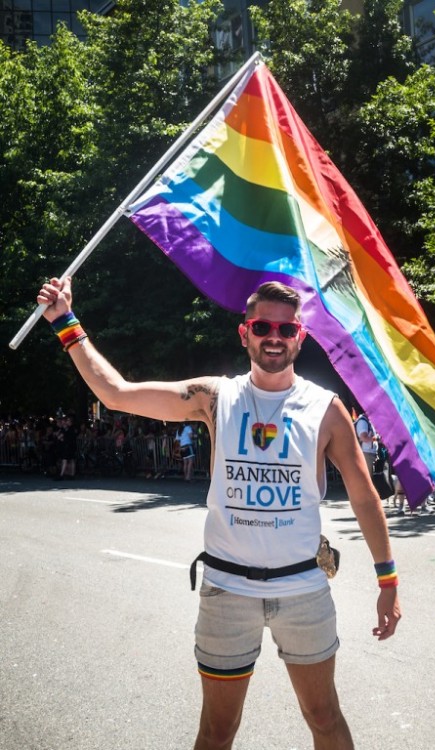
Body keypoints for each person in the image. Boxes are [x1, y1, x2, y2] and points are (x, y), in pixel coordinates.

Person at [37, 277, 401, 750]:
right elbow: (116, 393)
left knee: (325, 717)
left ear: (300, 337)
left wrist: (388, 581)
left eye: (286, 329)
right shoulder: (215, 397)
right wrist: (66, 320)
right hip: (227, 590)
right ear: (244, 332)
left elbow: (363, 494)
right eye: (264, 325)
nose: (275, 335)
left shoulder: (325, 408)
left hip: (303, 591)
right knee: (216, 731)